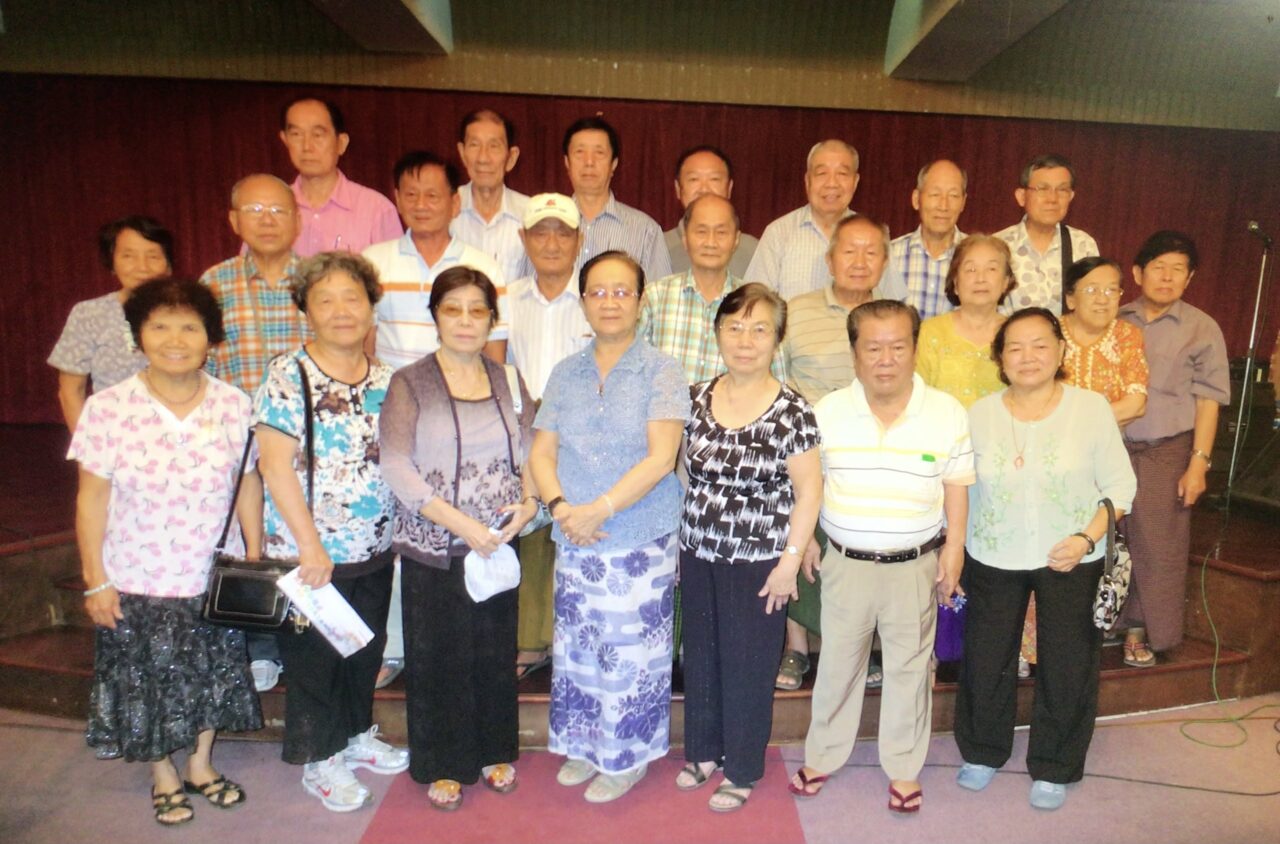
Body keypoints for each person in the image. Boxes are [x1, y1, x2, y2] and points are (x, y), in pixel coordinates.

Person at [70, 276, 262, 826]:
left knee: (213, 673)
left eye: (189, 327)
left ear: (210, 338)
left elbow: (248, 482)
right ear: (139, 336)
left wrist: (252, 554)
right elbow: (91, 500)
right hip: (137, 574)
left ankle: (201, 764)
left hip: (212, 574)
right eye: (160, 326)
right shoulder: (108, 408)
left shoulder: (234, 404)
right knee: (146, 681)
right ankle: (163, 774)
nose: (175, 340)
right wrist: (95, 579)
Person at [788, 300, 972, 815]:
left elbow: (956, 487)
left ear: (915, 349)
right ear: (854, 353)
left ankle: (904, 767)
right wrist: (808, 539)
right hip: (845, 563)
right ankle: (822, 756)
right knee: (837, 665)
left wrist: (953, 549)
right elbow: (809, 485)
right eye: (872, 347)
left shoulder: (946, 412)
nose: (885, 359)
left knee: (911, 669)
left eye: (897, 346)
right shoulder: (827, 411)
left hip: (915, 564)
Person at [955, 307, 1137, 811]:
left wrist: (1085, 538)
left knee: (1068, 660)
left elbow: (1120, 486)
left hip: (1071, 554)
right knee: (986, 657)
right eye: (1014, 347)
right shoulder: (979, 414)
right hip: (993, 551)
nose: (1028, 356)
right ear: (1000, 358)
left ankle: (1056, 764)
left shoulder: (1090, 408)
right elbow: (961, 487)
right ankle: (983, 751)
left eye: (1039, 345)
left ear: (1060, 351)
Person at [528, 251, 690, 803]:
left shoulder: (662, 370)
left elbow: (661, 458)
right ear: (583, 302)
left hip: (639, 537)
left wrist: (599, 508)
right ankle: (582, 743)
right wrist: (560, 507)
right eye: (598, 292)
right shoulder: (565, 372)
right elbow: (542, 451)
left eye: (622, 291)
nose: (610, 302)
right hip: (574, 532)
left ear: (641, 302)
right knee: (579, 647)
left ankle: (626, 757)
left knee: (629, 656)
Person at [380, 266, 539, 811]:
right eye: (453, 309)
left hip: (497, 541)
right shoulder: (410, 382)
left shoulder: (508, 379)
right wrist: (461, 525)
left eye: (477, 310)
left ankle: (494, 749)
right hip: (436, 545)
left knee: (494, 650)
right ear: (435, 317)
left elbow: (533, 450)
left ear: (492, 319)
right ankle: (444, 762)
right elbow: (395, 464)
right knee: (439, 657)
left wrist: (530, 504)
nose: (466, 321)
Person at [254, 252, 407, 813]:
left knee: (363, 650)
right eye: (326, 300)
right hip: (311, 555)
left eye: (352, 298)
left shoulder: (386, 378)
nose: (342, 311)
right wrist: (309, 545)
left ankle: (356, 734)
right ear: (306, 311)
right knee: (316, 660)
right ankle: (320, 760)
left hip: (375, 547)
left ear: (371, 308)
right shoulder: (288, 374)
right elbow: (274, 466)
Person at [678, 283, 821, 812]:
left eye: (760, 329)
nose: (745, 340)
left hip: (761, 559)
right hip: (698, 551)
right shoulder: (694, 397)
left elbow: (809, 491)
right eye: (734, 327)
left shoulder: (793, 410)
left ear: (777, 339)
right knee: (701, 656)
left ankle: (740, 767)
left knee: (748, 664)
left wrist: (789, 562)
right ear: (717, 333)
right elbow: (685, 475)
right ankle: (703, 752)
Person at [200, 173, 311, 693]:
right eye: (255, 210)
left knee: (302, 540)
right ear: (233, 220)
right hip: (238, 446)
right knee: (252, 544)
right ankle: (259, 643)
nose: (268, 221)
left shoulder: (316, 279)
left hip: (306, 446)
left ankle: (301, 643)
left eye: (278, 211)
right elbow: (200, 365)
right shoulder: (213, 284)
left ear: (297, 219)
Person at [776, 213, 892, 692]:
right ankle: (796, 649)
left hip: (873, 458)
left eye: (871, 252)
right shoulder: (795, 311)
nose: (860, 261)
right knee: (800, 541)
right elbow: (778, 381)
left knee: (864, 556)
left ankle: (864, 647)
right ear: (829, 259)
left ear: (884, 262)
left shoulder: (893, 317)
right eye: (849, 251)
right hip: (807, 452)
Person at [1117, 232, 1228, 666]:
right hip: (1111, 447)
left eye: (1178, 270)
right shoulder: (1115, 319)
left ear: (1190, 277)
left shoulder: (1202, 327)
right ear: (1138, 273)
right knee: (1108, 538)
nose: (1167, 277)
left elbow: (1209, 400)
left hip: (1167, 449)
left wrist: (1198, 464)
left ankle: (1141, 631)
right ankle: (1106, 622)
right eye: (1158, 267)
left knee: (1156, 544)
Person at [506, 193, 592, 679]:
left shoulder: (594, 297)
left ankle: (570, 642)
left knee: (573, 534)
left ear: (580, 239)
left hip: (582, 433)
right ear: (524, 239)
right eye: (541, 232)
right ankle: (530, 641)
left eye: (563, 232)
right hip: (521, 431)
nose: (552, 242)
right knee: (530, 539)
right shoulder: (506, 297)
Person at [364, 151, 507, 369]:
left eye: (432, 196)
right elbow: (365, 343)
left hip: (459, 389)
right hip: (389, 388)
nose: (420, 205)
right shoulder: (371, 262)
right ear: (398, 200)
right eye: (411, 195)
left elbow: (494, 355)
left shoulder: (484, 268)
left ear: (455, 203)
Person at [50, 215, 174, 431]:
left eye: (153, 256)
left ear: (168, 265)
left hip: (180, 434)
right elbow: (71, 392)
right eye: (128, 256)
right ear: (112, 262)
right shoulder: (89, 314)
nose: (142, 267)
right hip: (112, 437)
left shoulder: (188, 312)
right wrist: (87, 446)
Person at [278, 95, 401, 257]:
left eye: (318, 135)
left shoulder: (377, 209)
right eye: (296, 134)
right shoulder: (272, 208)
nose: (307, 146)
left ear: (341, 143)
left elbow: (394, 270)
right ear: (284, 140)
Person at [746, 140, 859, 301]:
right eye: (822, 173)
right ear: (807, 181)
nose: (832, 183)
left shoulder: (872, 237)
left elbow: (888, 304)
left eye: (842, 174)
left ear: (855, 182)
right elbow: (754, 301)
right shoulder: (779, 233)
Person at [562, 116, 671, 281]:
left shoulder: (645, 230)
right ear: (567, 162)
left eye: (599, 153)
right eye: (579, 152)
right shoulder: (546, 225)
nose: (589, 162)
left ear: (613, 164)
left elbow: (660, 293)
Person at [915, 234, 1015, 409]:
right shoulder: (929, 331)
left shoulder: (1017, 335)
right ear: (955, 282)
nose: (980, 278)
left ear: (1005, 282)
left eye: (991, 269)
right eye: (971, 269)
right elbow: (915, 397)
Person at [995, 154, 1099, 314]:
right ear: (1021, 196)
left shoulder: (1083, 244)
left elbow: (1093, 306)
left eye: (1062, 190)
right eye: (1043, 189)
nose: (1052, 199)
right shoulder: (997, 245)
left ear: (1071, 197)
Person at [452, 108, 530, 286]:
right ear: (462, 153)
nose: (483, 158)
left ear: (511, 157)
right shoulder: (444, 211)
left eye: (494, 146)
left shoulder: (530, 214)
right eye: (474, 145)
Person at [889, 160, 969, 320]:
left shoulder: (976, 258)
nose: (943, 206)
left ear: (963, 202)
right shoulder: (890, 255)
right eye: (935, 194)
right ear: (916, 199)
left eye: (953, 196)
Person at [664, 145, 758, 278]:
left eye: (714, 179)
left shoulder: (754, 250)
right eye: (694, 179)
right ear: (678, 189)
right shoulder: (660, 246)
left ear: (729, 188)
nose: (704, 189)